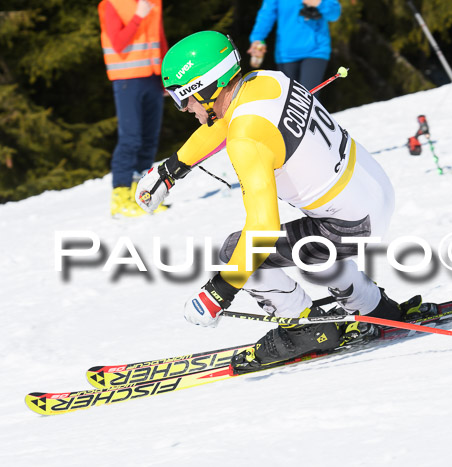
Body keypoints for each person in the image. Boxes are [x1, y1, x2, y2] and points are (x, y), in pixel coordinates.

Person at [135, 31, 408, 373]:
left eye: (183, 98)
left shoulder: (245, 139)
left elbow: (261, 229)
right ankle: (372, 306)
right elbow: (227, 122)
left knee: (238, 249)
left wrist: (216, 293)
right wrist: (172, 169)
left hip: (350, 226)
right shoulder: (266, 81)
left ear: (206, 89)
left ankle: (307, 329)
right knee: (308, 244)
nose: (184, 108)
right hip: (374, 196)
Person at [98, 0, 168, 217]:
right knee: (131, 139)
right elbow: (118, 43)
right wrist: (138, 16)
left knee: (149, 139)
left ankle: (142, 195)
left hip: (153, 78)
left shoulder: (153, 2)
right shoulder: (111, 5)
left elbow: (159, 40)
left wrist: (167, 77)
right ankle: (119, 199)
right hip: (127, 80)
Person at [247, 0, 341, 93]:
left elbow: (335, 13)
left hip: (315, 51)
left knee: (308, 97)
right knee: (288, 100)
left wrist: (319, 3)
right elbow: (267, 14)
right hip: (286, 54)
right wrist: (257, 39)